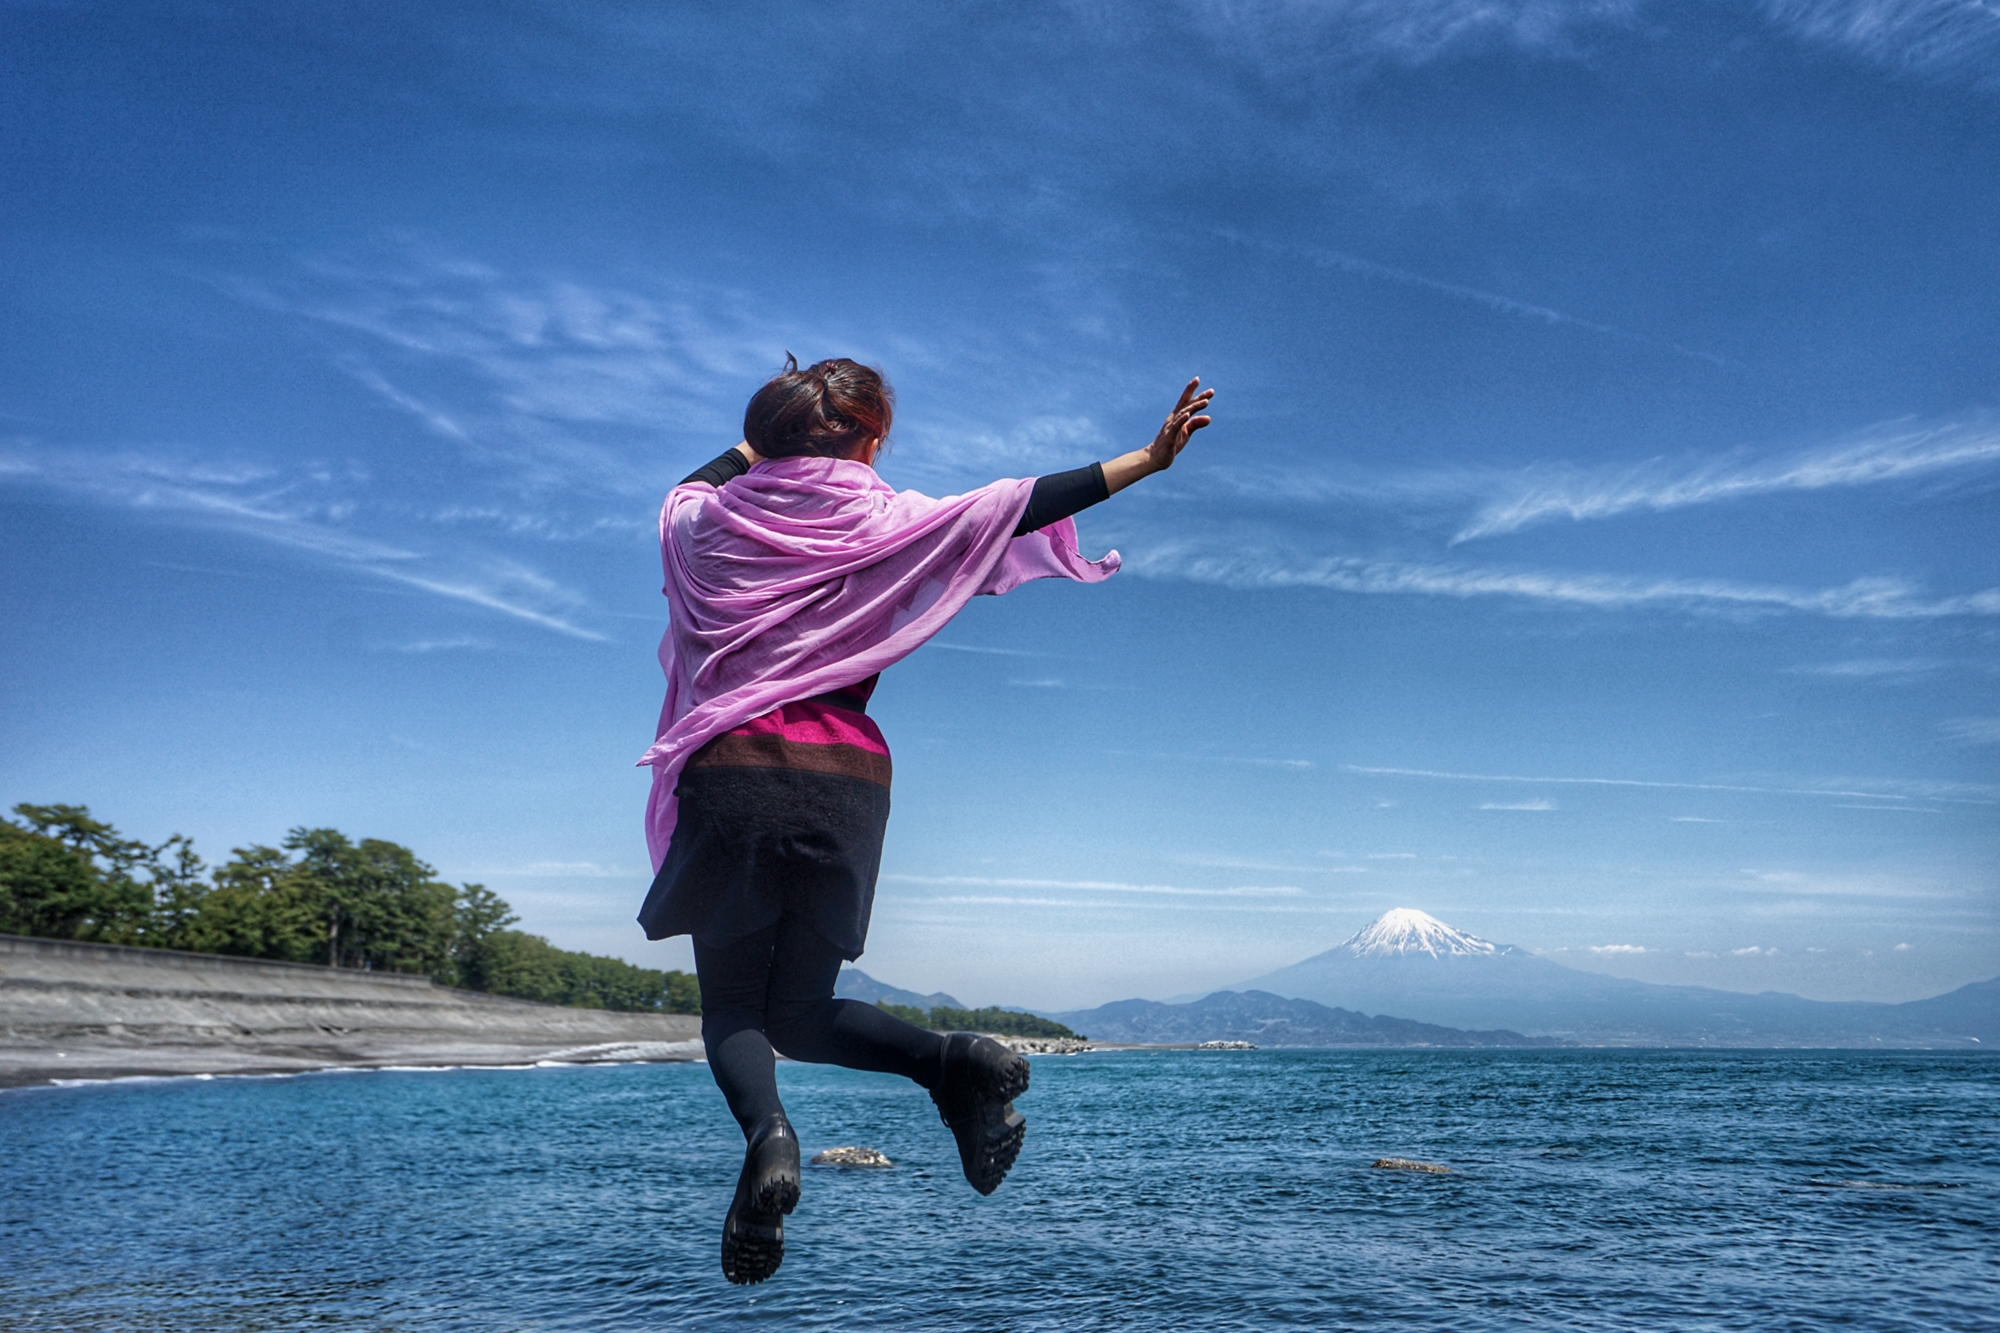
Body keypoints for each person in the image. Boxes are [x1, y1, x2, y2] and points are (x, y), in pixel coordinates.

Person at [637, 356, 1214, 1285]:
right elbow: (1015, 504)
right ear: (866, 441)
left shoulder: (705, 524)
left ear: (768, 437)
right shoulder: (884, 518)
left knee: (740, 1008)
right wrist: (1148, 459)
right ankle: (954, 1062)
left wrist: (768, 435)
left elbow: (688, 485)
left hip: (734, 769)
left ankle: (770, 1135)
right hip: (848, 781)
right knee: (798, 1009)